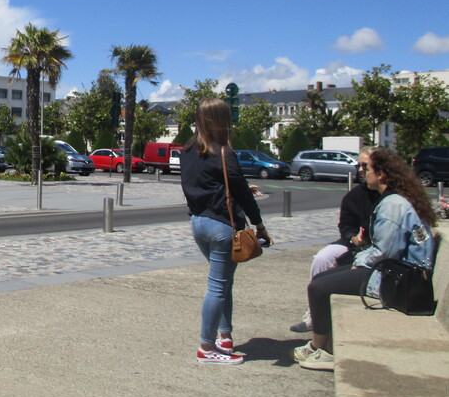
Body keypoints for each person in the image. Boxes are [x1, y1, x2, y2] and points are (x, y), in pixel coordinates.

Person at [294, 148, 438, 371]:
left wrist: (358, 261)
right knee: (324, 278)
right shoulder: (393, 199)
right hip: (392, 270)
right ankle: (321, 345)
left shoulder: (392, 205)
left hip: (395, 278)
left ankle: (323, 350)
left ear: (381, 174)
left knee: (319, 288)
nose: (363, 173)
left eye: (367, 169)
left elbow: (385, 251)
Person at [181, 98, 273, 365]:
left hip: (198, 222)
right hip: (221, 226)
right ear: (223, 121)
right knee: (218, 287)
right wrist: (260, 225)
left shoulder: (187, 151)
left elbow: (199, 185)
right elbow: (242, 192)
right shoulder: (224, 152)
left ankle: (225, 336)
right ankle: (206, 347)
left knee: (224, 283)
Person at [289, 147, 379, 332]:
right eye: (358, 166)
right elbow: (345, 227)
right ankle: (314, 314)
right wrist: (354, 238)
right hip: (354, 245)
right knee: (323, 257)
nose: (361, 170)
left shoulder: (391, 197)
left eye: (365, 166)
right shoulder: (353, 197)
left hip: (378, 250)